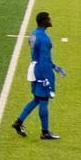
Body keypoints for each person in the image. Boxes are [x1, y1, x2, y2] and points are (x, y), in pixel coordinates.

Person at [11, 12, 63, 140]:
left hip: (34, 67)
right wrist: (46, 77)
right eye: (49, 18)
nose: (51, 20)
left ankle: (18, 122)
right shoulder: (44, 38)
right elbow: (44, 59)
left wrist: (55, 66)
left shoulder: (34, 33)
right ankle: (45, 132)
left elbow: (39, 55)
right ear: (44, 21)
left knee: (37, 99)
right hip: (41, 70)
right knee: (44, 100)